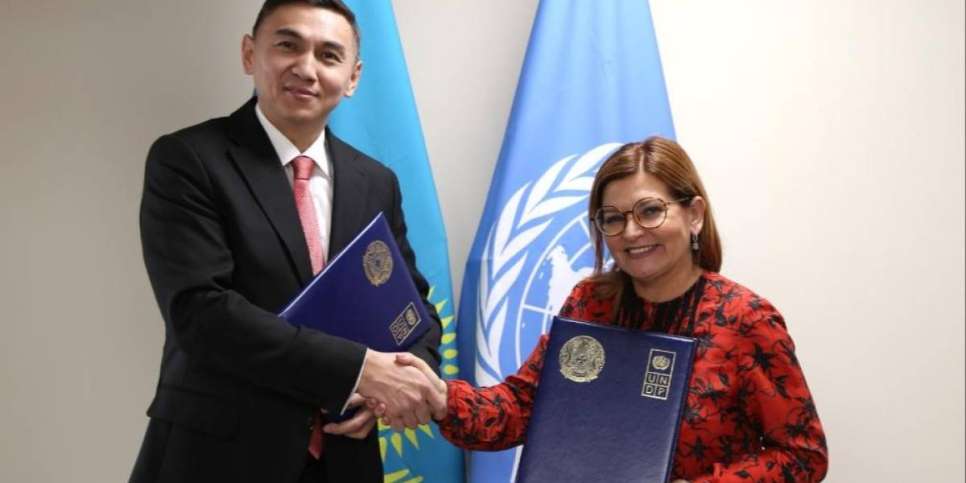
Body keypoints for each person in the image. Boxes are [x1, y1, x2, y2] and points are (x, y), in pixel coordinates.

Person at [390, 137, 829, 482]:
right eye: (613, 218)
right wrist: (443, 398)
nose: (631, 232)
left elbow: (802, 455)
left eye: (650, 211)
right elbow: (522, 407)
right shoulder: (589, 303)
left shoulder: (746, 320)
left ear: (694, 214)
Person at [130, 1, 441, 482]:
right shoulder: (188, 159)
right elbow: (201, 313)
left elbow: (412, 309)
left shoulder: (376, 181)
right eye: (288, 46)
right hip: (217, 457)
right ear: (249, 54)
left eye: (329, 55)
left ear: (353, 77)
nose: (306, 68)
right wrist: (359, 371)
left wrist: (398, 379)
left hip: (344, 458)